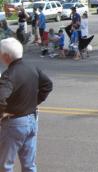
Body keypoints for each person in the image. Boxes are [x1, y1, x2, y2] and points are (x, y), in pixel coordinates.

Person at [0, 37, 53, 171]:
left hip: (14, 124)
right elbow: (47, 85)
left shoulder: (8, 75)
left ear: (6, 56)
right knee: (29, 164)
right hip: (32, 120)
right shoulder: (32, 67)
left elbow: (1, 98)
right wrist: (34, 102)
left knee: (5, 165)